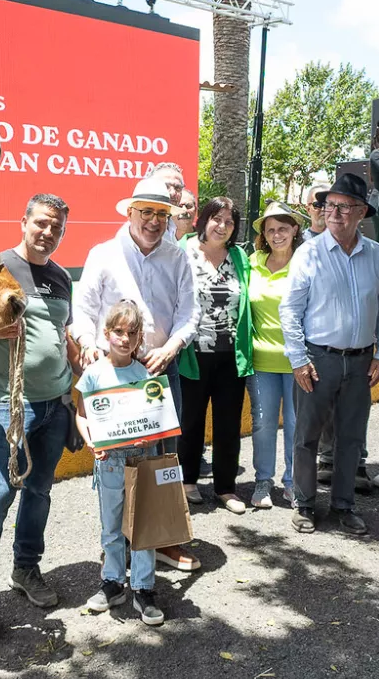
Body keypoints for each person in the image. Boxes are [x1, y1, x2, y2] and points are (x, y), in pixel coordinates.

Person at [0, 195, 78, 645]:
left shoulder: (61, 276)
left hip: (55, 404)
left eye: (57, 227)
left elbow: (60, 333)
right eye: (42, 223)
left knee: (40, 492)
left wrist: (80, 378)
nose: (48, 232)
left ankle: (26, 568)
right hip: (11, 405)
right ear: (23, 221)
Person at [73, 178, 200, 572]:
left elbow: (189, 312)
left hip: (160, 369)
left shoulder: (177, 257)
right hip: (113, 372)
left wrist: (171, 347)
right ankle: (118, 543)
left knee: (162, 459)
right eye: (145, 212)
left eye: (161, 214)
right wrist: (87, 343)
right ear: (129, 212)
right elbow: (84, 308)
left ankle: (161, 539)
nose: (153, 221)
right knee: (115, 460)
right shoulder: (104, 254)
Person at [280, 172, 379, 535]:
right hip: (318, 359)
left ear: (362, 212)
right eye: (330, 205)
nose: (334, 213)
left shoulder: (375, 254)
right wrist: (298, 359)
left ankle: (344, 505)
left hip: (362, 361)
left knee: (351, 437)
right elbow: (290, 310)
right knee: (307, 436)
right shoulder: (309, 253)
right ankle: (304, 503)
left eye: (344, 207)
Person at [75, 299, 168, 627]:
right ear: (106, 333)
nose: (125, 339)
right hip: (109, 462)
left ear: (140, 336)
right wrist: (90, 441)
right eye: (118, 332)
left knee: (142, 526)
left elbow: (156, 419)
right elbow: (82, 416)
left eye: (132, 333)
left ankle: (144, 588)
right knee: (111, 527)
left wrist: (151, 435)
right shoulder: (94, 374)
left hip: (141, 458)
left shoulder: (144, 373)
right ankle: (113, 583)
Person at [177, 197, 254, 514]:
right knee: (190, 421)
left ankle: (226, 488)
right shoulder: (183, 250)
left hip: (230, 354)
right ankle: (187, 482)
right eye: (216, 218)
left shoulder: (238, 255)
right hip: (192, 353)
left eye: (230, 221)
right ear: (204, 219)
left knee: (228, 423)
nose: (222, 226)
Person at [247, 202, 305, 508]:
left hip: (298, 363)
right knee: (263, 423)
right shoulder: (252, 262)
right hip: (260, 362)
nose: (276, 234)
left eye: (282, 228)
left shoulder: (305, 262)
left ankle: (293, 483)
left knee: (297, 425)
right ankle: (263, 482)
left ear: (295, 229)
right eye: (270, 230)